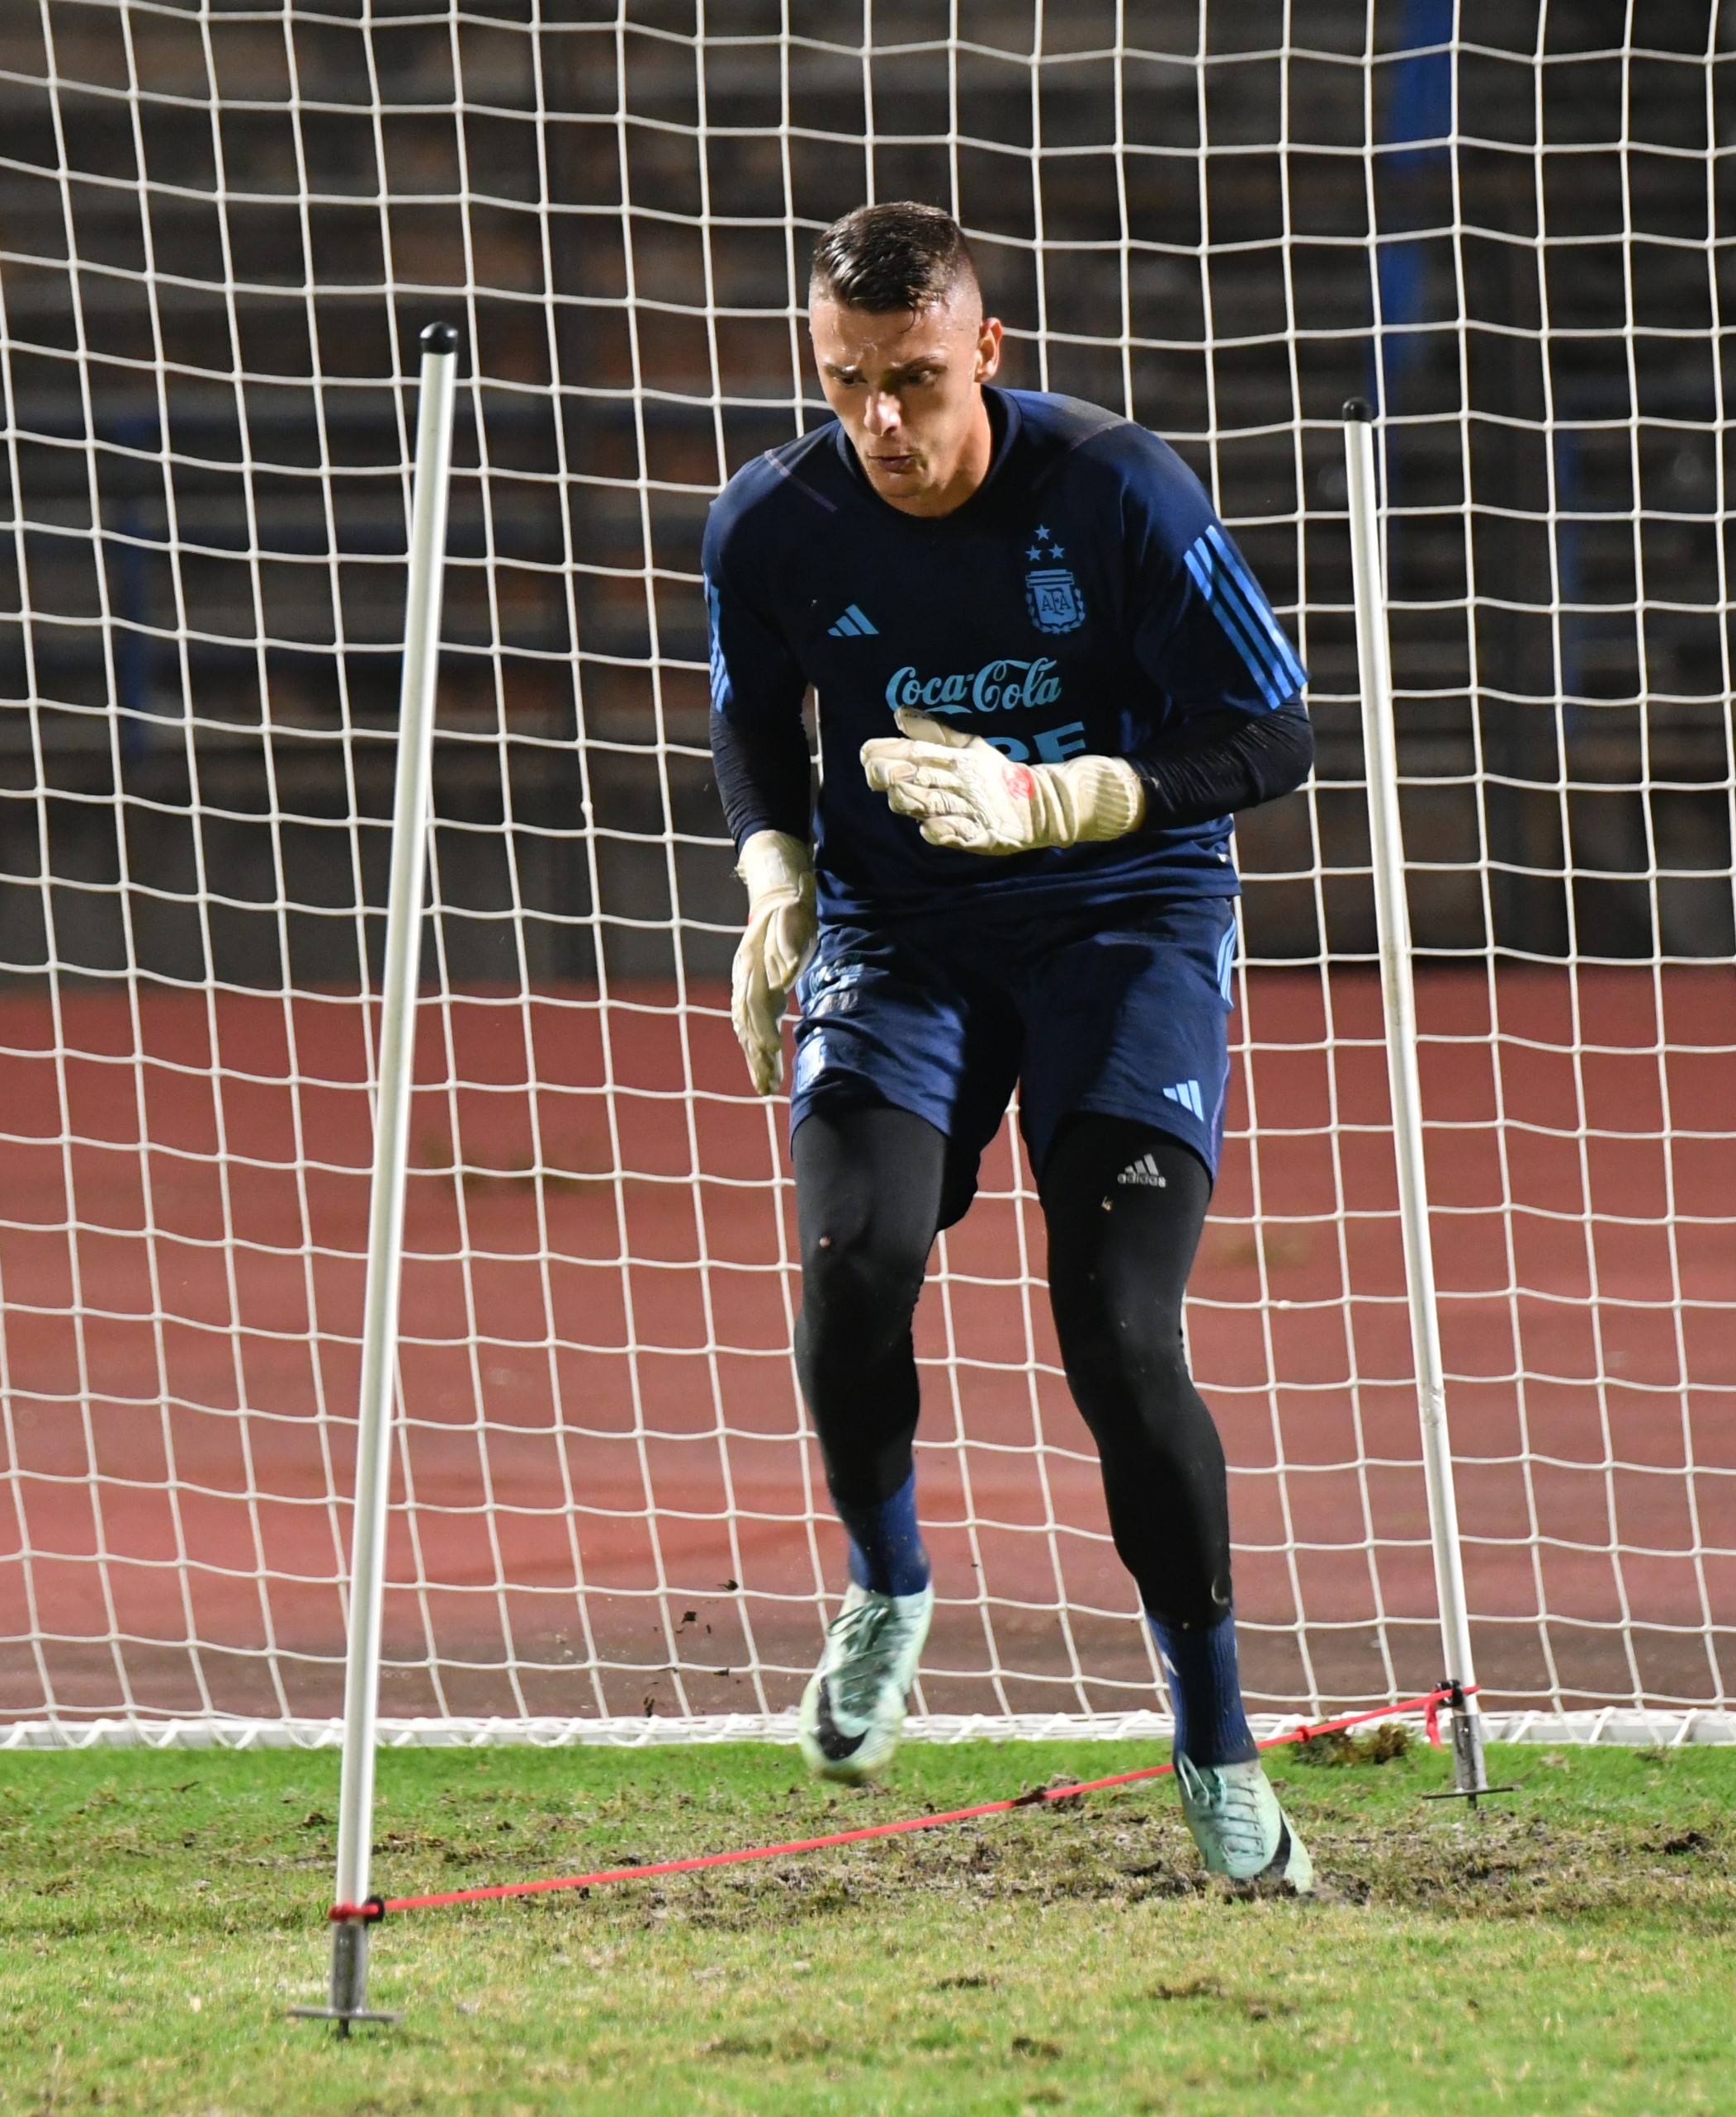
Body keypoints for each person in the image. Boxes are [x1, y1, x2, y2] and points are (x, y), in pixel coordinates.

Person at [703, 202, 1321, 1892]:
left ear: (987, 350)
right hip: (902, 930)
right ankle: (889, 1582)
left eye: (913, 378)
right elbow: (753, 712)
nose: (879, 420)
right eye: (846, 381)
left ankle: (1217, 1745)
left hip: (1123, 915)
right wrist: (775, 873)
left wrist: (1067, 797)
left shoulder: (1118, 489)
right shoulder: (772, 520)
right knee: (852, 1256)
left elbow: (1275, 728)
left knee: (1118, 1327)